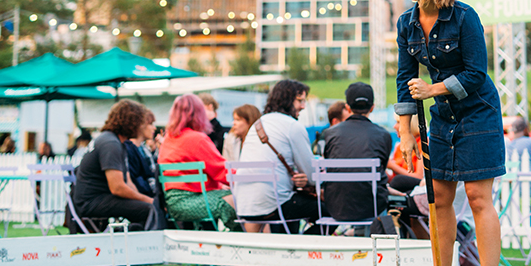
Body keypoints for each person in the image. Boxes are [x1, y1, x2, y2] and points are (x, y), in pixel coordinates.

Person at [396, 0, 505, 266]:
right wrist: (405, 131)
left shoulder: (465, 18)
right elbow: (404, 78)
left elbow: (476, 74)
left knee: (477, 197)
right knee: (438, 199)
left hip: (478, 113)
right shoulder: (406, 23)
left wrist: (434, 90)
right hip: (442, 118)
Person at [235, 79, 318, 232]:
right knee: (330, 209)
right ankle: (303, 247)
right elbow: (312, 175)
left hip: (244, 204)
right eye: (299, 101)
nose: (303, 106)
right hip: (274, 204)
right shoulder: (292, 126)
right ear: (286, 100)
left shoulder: (257, 124)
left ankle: (290, 246)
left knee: (292, 201)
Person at [158, 94, 237, 229]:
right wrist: (249, 180)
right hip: (193, 201)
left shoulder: (168, 138)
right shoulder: (197, 139)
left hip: (172, 203)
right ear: (199, 114)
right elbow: (221, 170)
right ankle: (245, 244)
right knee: (242, 201)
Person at [73, 100, 155, 227]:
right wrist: (150, 201)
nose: (143, 127)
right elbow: (117, 188)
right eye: (142, 123)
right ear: (131, 123)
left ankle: (129, 234)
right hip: (92, 202)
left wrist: (146, 200)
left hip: (99, 198)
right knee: (150, 210)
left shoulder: (116, 142)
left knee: (147, 208)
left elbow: (127, 182)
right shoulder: (110, 144)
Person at [322, 82, 392, 228]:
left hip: (336, 208)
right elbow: (382, 168)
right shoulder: (383, 135)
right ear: (372, 107)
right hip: (372, 207)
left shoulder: (329, 134)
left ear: (347, 107)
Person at [123, 107, 157, 197]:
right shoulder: (128, 149)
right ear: (140, 125)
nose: (154, 128)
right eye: (150, 124)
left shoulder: (143, 149)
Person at [388, 115, 424, 193]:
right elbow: (393, 180)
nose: (394, 126)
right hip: (400, 188)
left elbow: (419, 177)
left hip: (417, 189)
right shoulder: (398, 147)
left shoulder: (423, 145)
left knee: (398, 180)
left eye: (398, 122)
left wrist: (392, 166)